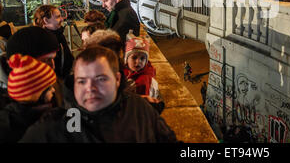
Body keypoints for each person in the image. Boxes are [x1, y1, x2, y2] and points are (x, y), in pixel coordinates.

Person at [20, 45, 178, 143]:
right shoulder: (53, 127)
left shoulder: (138, 107)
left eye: (100, 79)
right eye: (82, 81)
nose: (90, 88)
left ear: (117, 79)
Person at [0, 54, 57, 143]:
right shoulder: (9, 126)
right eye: (49, 87)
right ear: (35, 94)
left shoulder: (39, 113)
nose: (53, 90)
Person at [33, 5, 73, 79]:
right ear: (46, 20)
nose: (62, 19)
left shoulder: (58, 34)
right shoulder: (44, 39)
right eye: (58, 17)